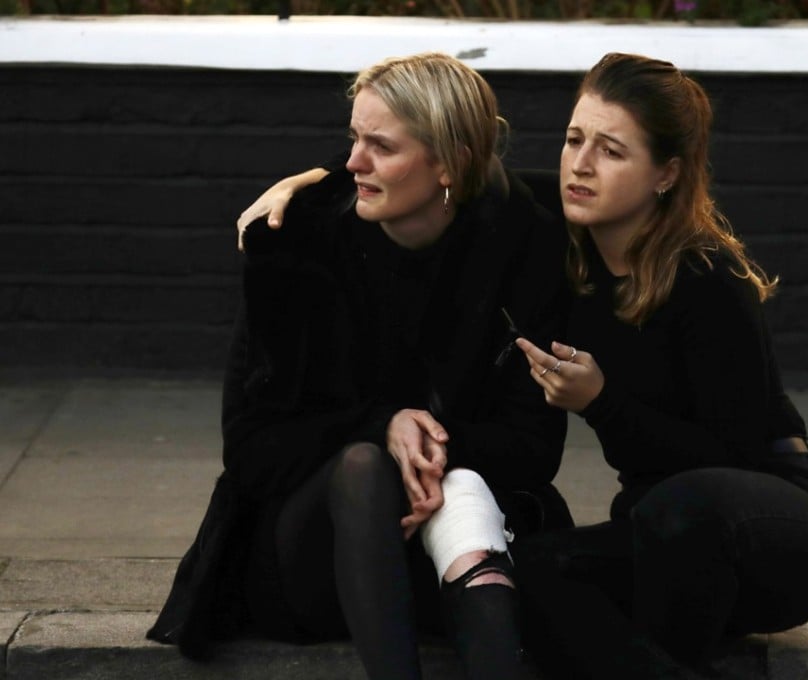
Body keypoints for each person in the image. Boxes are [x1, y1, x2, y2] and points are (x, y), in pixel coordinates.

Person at [147, 52, 572, 680]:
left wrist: (430, 450)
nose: (352, 163)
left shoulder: (522, 246)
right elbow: (252, 450)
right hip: (309, 556)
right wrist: (384, 427)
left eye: (381, 146)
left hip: (450, 538)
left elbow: (534, 448)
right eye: (353, 138)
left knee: (465, 498)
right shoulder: (298, 242)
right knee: (363, 463)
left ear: (448, 164)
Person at [510, 53, 808, 679]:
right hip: (663, 538)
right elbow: (447, 177)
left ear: (665, 174)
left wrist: (601, 403)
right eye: (573, 139)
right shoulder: (564, 236)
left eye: (612, 151)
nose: (580, 165)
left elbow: (735, 456)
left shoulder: (708, 280)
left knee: (683, 504)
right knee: (532, 567)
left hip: (777, 535)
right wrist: (312, 181)